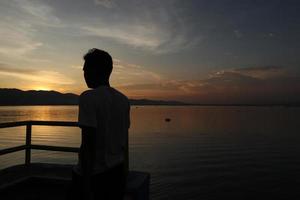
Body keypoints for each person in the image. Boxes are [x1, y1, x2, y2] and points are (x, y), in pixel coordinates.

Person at [68, 48, 130, 200]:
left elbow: (88, 144)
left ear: (96, 70)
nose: (84, 74)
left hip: (95, 176)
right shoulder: (123, 100)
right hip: (117, 173)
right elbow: (124, 139)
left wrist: (87, 185)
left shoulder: (88, 98)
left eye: (86, 69)